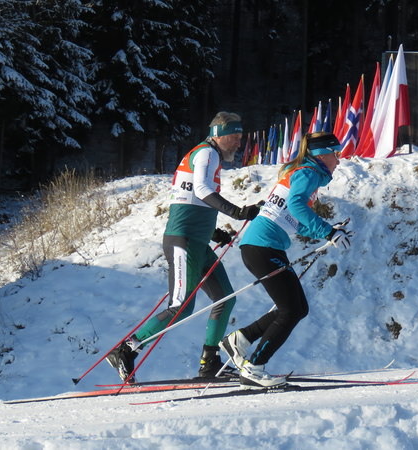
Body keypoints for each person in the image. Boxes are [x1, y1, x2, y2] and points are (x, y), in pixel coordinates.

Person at [106, 112, 261, 383]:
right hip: (184, 241)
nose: (239, 143)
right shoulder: (207, 153)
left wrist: (213, 233)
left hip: (197, 241)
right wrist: (237, 212)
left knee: (225, 299)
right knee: (180, 306)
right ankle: (126, 350)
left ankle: (209, 362)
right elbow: (201, 190)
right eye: (235, 137)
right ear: (220, 135)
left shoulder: (206, 155)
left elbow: (189, 198)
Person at [220, 131, 353, 389]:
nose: (338, 160)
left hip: (263, 247)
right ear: (321, 155)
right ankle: (253, 369)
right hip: (262, 247)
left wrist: (329, 232)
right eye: (335, 154)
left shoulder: (304, 173)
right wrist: (328, 231)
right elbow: (297, 207)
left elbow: (295, 221)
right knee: (291, 310)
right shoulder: (308, 173)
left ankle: (241, 340)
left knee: (296, 308)